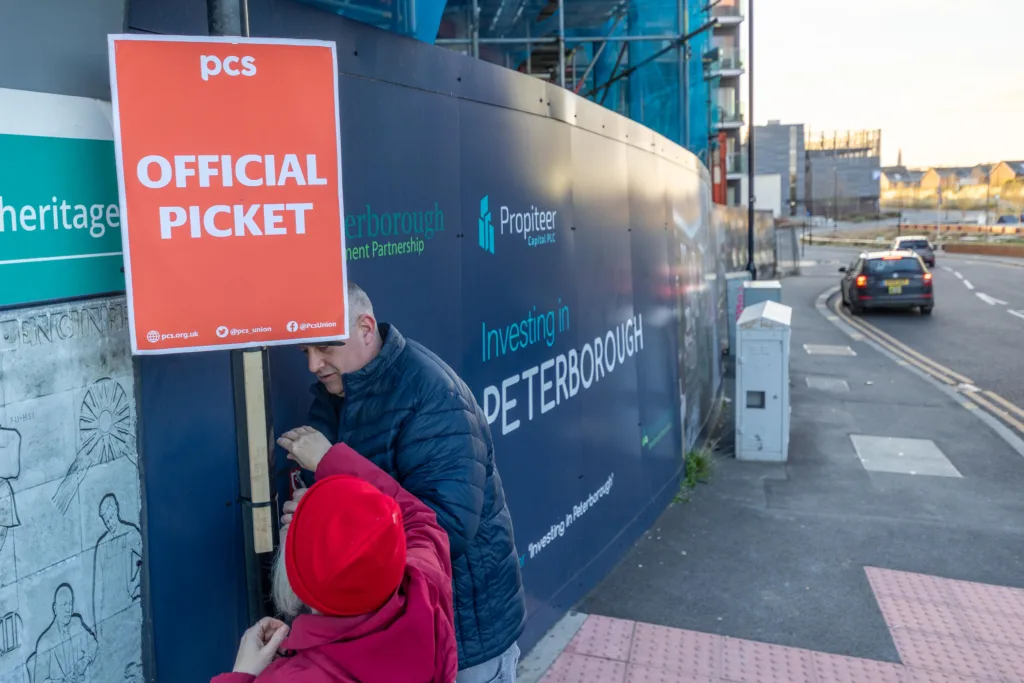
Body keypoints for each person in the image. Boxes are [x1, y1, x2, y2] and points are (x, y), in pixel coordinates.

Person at [278, 282, 526, 681]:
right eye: (306, 351)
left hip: (464, 638)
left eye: (325, 347)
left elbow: (446, 528)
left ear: (365, 327)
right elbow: (358, 507)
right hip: (400, 635)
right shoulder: (337, 391)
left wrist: (330, 463)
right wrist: (314, 514)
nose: (313, 364)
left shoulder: (432, 396)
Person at [213, 442, 457, 683]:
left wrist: (242, 674)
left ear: (298, 584)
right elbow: (418, 519)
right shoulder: (425, 589)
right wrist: (335, 501)